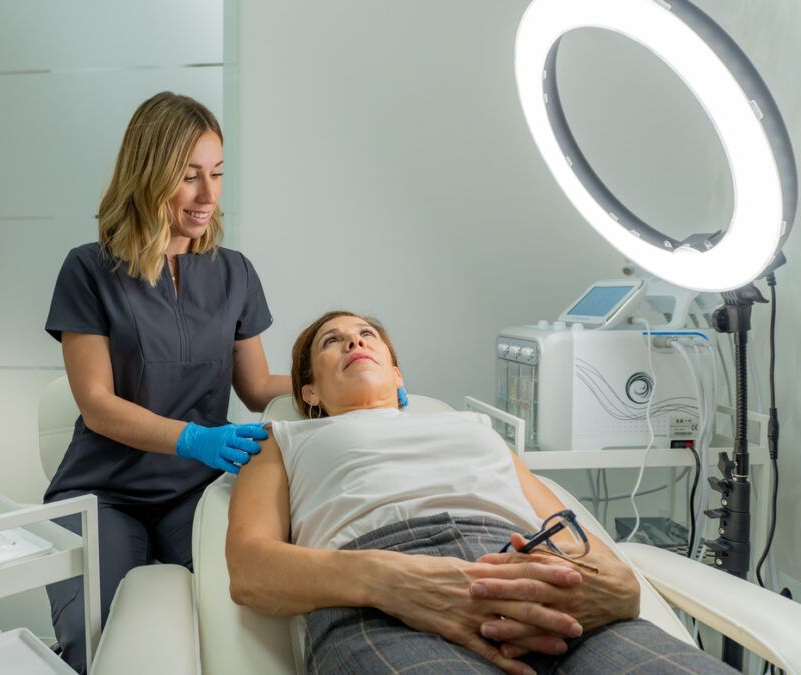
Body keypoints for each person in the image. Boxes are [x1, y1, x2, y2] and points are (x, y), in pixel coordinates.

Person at [226, 311, 738, 675]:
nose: (355, 342)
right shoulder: (284, 438)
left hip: (529, 578)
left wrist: (621, 589)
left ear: (397, 372)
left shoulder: (469, 426)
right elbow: (250, 571)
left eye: (366, 334)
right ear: (308, 392)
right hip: (379, 605)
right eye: (331, 342)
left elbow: (570, 532)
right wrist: (386, 580)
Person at [44, 91, 291, 672]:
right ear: (149, 176)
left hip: (197, 492)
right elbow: (99, 406)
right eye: (189, 177)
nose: (208, 195)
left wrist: (336, 395)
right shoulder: (88, 269)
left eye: (217, 174)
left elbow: (256, 387)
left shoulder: (235, 272)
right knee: (99, 643)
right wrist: (193, 437)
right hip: (104, 490)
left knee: (233, 627)